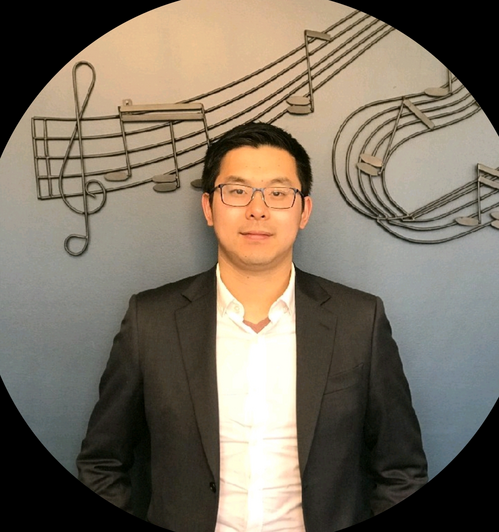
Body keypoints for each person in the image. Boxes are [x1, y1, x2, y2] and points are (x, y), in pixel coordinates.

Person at [77, 121, 427, 532]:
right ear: (209, 208)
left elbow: (401, 472)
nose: (257, 209)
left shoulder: (359, 321)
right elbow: (102, 463)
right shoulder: (150, 321)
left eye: (278, 193)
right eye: (237, 191)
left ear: (304, 211)